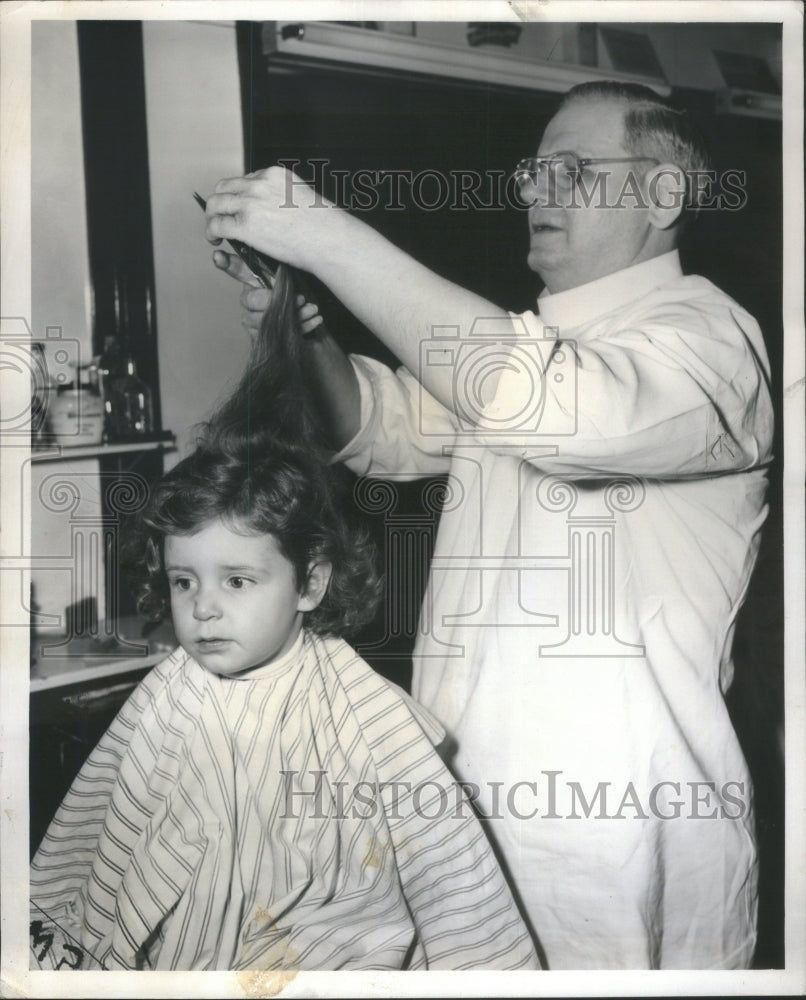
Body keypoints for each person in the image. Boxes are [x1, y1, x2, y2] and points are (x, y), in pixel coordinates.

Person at [204, 81, 773, 969]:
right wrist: (306, 328)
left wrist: (328, 234)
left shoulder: (710, 344)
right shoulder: (527, 344)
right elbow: (375, 427)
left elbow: (543, 404)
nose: (536, 192)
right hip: (466, 812)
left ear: (664, 197)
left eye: (572, 171)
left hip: (614, 833)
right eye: (533, 172)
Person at [28, 283, 539, 973]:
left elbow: (455, 884)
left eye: (237, 581)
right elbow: (91, 843)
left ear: (311, 582)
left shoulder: (365, 717)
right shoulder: (169, 692)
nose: (203, 607)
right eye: (185, 581)